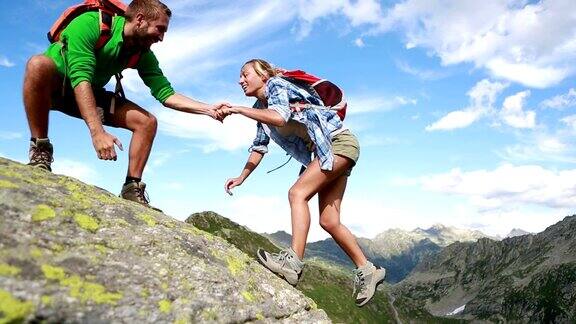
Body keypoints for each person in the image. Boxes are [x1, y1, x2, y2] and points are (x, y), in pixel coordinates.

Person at [23, 0, 228, 210]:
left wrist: (208, 109)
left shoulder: (142, 53)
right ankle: (40, 147)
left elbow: (166, 94)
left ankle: (132, 187)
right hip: (58, 88)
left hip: (90, 94)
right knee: (38, 64)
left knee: (147, 122)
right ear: (140, 20)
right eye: (160, 29)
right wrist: (97, 132)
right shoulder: (90, 24)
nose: (161, 37)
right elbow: (80, 76)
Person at [220, 59, 386, 307]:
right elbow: (259, 147)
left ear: (263, 75)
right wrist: (241, 176)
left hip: (338, 144)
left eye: (245, 74)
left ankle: (293, 263)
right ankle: (368, 269)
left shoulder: (276, 85)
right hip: (326, 152)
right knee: (329, 221)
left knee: (297, 193)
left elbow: (279, 116)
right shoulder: (260, 107)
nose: (240, 80)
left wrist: (237, 110)